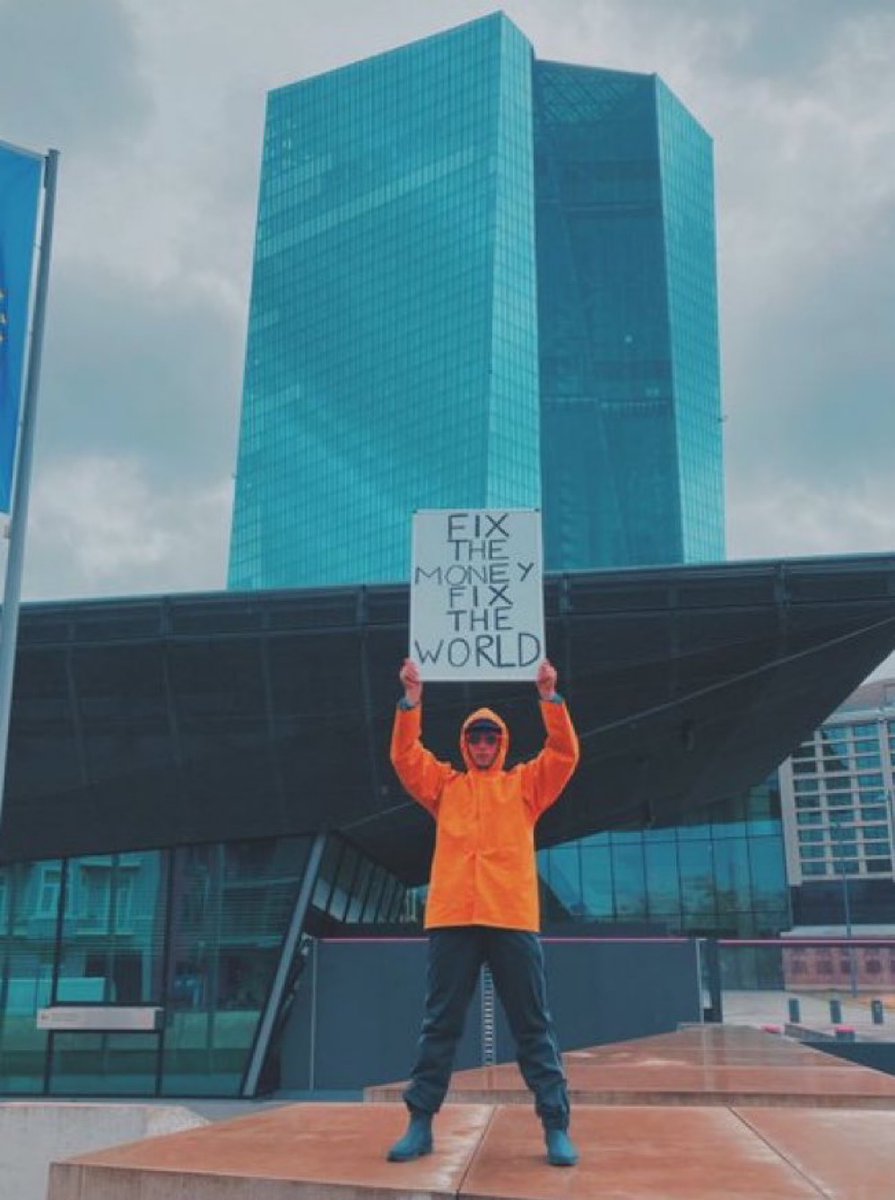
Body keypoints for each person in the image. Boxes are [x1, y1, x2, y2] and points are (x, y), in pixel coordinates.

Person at [387, 656, 580, 1168]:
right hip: (453, 918)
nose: (483, 745)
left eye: (491, 738)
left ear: (503, 743)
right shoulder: (445, 787)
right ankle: (420, 1124)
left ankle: (556, 1126)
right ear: (465, 744)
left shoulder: (525, 786)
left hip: (512, 917)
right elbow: (407, 756)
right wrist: (412, 701)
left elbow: (563, 753)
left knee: (533, 1025)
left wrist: (549, 698)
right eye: (476, 737)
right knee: (440, 1024)